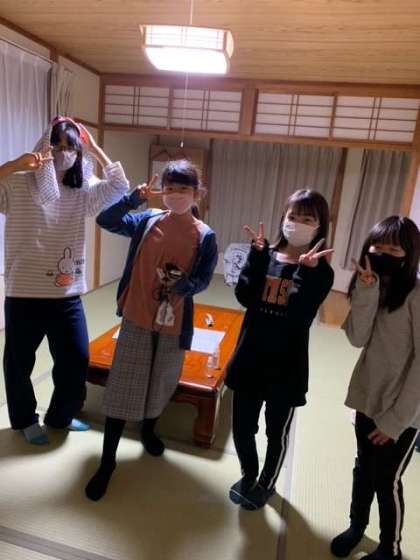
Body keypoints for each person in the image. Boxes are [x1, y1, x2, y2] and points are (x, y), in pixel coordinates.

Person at [85, 159, 218, 501]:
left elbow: (203, 279)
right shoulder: (147, 220)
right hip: (137, 315)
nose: (175, 195)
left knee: (160, 383)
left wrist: (184, 285)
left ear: (197, 193)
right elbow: (105, 220)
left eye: (183, 189)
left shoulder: (204, 235)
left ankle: (148, 431)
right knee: (122, 388)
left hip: (173, 321)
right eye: (170, 188)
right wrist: (133, 199)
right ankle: (107, 462)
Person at [0, 116, 129, 445]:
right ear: (43, 146)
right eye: (56, 145)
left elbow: (119, 187)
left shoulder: (82, 188)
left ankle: (60, 415)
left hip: (66, 294)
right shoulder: (18, 183)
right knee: (18, 364)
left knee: (76, 359)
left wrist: (95, 149)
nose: (62, 152)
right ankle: (25, 420)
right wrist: (17, 164)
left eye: (70, 146)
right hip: (24, 292)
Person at [226, 189, 334, 510]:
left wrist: (305, 271)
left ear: (320, 226)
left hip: (286, 367)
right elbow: (245, 297)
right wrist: (257, 257)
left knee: (277, 433)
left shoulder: (321, 272)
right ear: (282, 218)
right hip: (250, 357)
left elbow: (299, 313)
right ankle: (249, 474)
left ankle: (267, 483)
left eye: (307, 219)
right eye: (292, 216)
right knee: (241, 427)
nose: (297, 224)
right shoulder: (266, 255)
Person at [331, 216, 420, 560]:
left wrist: (395, 421)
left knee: (387, 480)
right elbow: (357, 338)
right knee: (363, 469)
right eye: (377, 246)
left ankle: (389, 549)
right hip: (368, 398)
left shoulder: (416, 295)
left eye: (393, 250)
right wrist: (366, 290)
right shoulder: (374, 286)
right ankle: (357, 526)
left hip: (402, 413)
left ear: (409, 254)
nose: (383, 254)